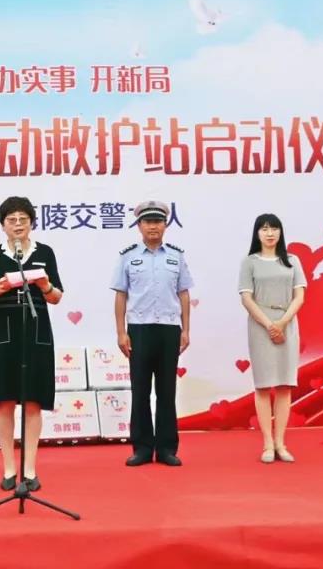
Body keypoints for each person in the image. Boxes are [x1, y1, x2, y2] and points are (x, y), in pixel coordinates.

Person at [0, 196, 63, 492]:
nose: (17, 225)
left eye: (23, 219)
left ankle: (30, 469)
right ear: (2, 225)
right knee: (4, 400)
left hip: (36, 331)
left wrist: (45, 285)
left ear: (31, 223)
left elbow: (56, 297)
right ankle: (9, 469)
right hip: (3, 333)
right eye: (11, 220)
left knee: (34, 400)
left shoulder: (45, 252)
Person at [112, 200, 192, 467]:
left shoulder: (176, 256)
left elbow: (183, 294)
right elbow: (121, 296)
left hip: (169, 329)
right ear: (139, 226)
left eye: (158, 221)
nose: (153, 226)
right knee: (140, 391)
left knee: (167, 392)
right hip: (139, 329)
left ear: (165, 225)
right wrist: (121, 332)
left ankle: (167, 448)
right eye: (147, 222)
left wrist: (186, 330)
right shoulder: (128, 256)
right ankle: (142, 448)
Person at [238, 213, 306, 463]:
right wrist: (269, 326)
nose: (270, 233)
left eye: (274, 228)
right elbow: (247, 298)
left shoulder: (292, 261)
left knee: (285, 385)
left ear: (280, 232)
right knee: (264, 385)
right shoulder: (250, 262)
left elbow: (300, 296)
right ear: (257, 233)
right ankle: (267, 443)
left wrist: (283, 323)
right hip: (260, 326)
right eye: (264, 229)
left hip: (287, 323)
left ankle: (281, 443)